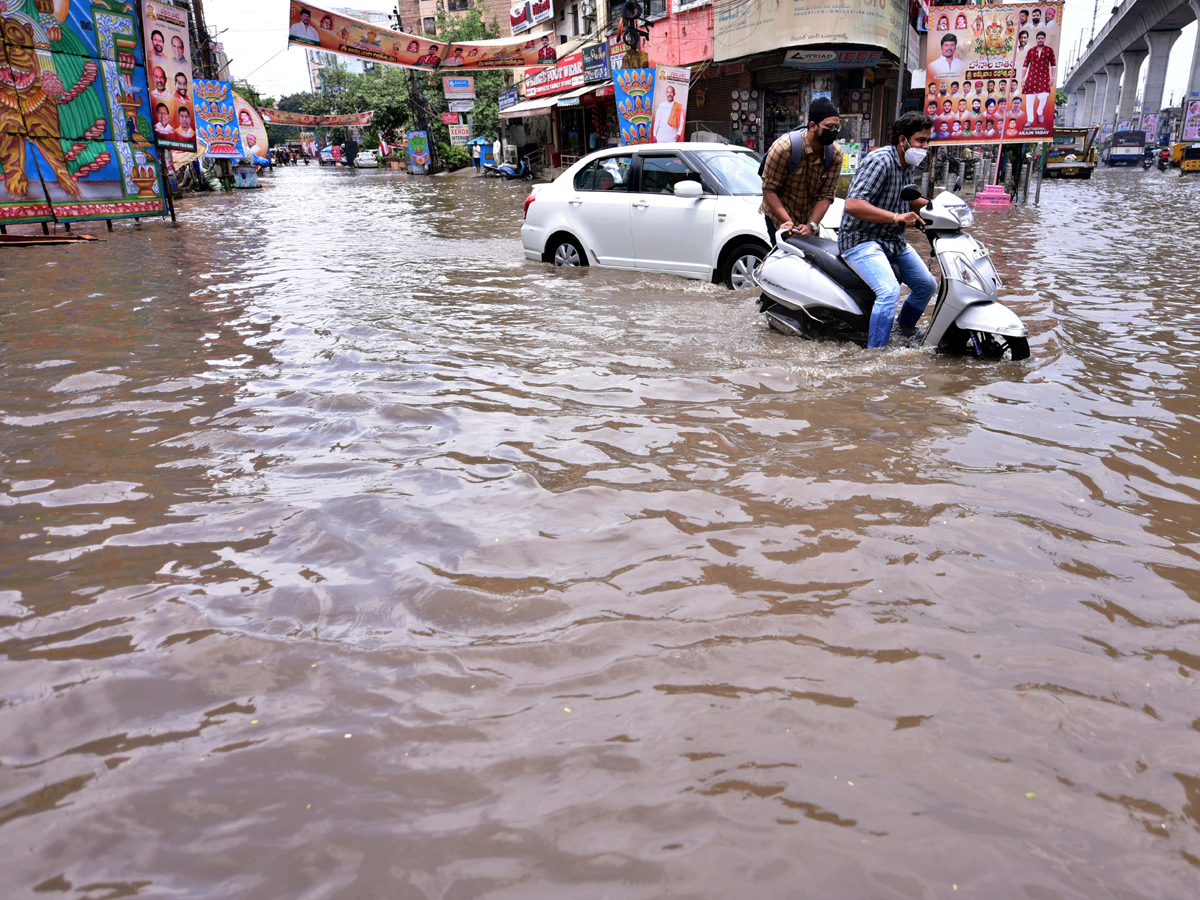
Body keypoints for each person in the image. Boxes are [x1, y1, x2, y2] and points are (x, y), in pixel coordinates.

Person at [838, 111, 937, 349]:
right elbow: (853, 204)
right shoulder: (880, 161)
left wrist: (939, 209)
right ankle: (876, 352)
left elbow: (906, 200)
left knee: (927, 286)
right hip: (861, 239)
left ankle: (903, 331)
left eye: (928, 141)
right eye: (920, 141)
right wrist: (895, 218)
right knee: (890, 292)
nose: (925, 147)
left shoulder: (907, 165)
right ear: (903, 140)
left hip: (892, 239)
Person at [759, 97, 843, 246]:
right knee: (785, 259)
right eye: (829, 127)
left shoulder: (835, 154)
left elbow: (827, 194)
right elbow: (769, 189)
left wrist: (812, 225)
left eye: (837, 127)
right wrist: (787, 221)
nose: (834, 132)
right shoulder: (783, 148)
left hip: (807, 217)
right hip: (779, 215)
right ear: (812, 126)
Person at [1022, 31, 1056, 125]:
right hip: (1031, 78)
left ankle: (1039, 111)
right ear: (1036, 40)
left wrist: (1053, 78)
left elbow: (1053, 65)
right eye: (1038, 38)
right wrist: (1022, 79)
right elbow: (1025, 66)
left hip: (1044, 78)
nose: (1040, 40)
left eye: (1042, 38)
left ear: (1044, 39)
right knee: (1029, 100)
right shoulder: (1031, 51)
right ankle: (1030, 120)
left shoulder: (1049, 50)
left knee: (1043, 95)